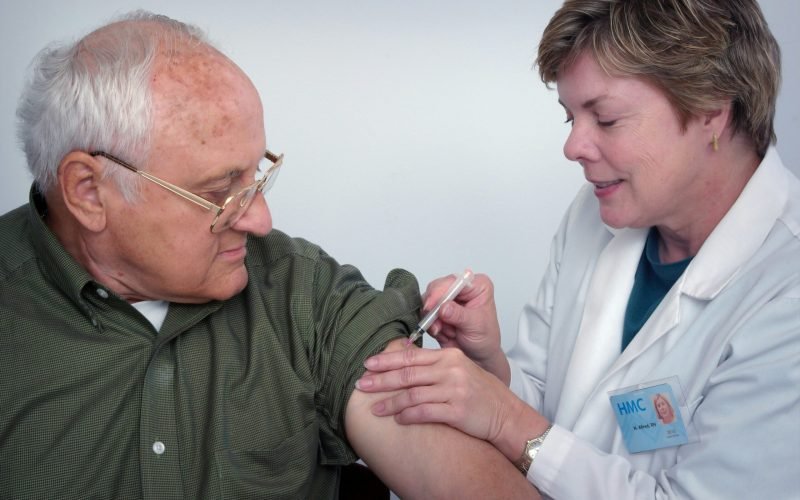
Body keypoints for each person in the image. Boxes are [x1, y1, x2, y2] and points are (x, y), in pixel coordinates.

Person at [0, 11, 539, 500]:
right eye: (217, 193)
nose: (260, 221)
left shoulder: (298, 289)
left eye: (256, 175)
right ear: (89, 192)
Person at [356, 0, 800, 498]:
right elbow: (555, 420)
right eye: (571, 118)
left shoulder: (786, 298)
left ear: (712, 112)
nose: (573, 147)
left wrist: (502, 415)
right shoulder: (599, 211)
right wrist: (489, 366)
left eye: (605, 119)